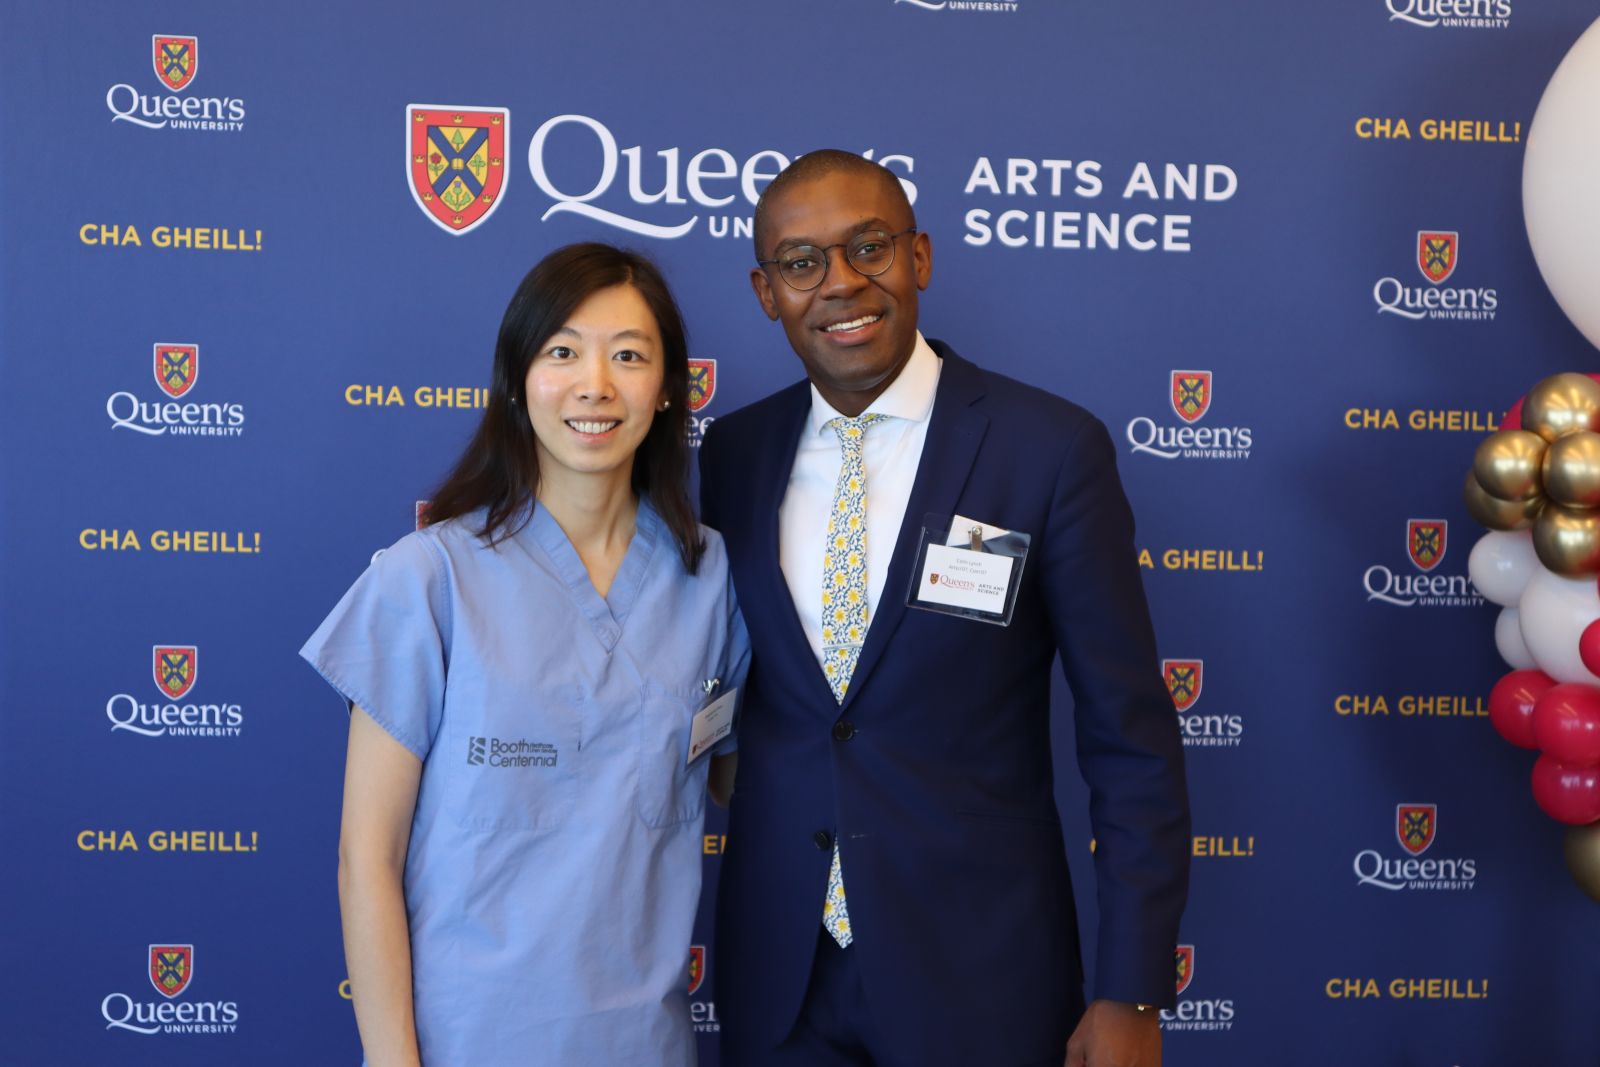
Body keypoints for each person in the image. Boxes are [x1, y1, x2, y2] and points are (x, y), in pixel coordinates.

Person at [698, 152, 1190, 1067]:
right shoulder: (732, 455)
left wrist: (1131, 989)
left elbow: (1131, 738)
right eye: (802, 262)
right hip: (779, 983)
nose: (841, 282)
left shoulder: (1048, 448)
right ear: (768, 293)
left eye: (869, 247)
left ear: (919, 256)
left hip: (982, 978)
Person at [301, 243, 748, 1067]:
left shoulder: (710, 578)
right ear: (517, 379)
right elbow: (367, 857)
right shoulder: (427, 578)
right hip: (464, 1040)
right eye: (563, 352)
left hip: (644, 1043)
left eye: (629, 356)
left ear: (666, 391)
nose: (595, 385)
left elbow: (752, 783)